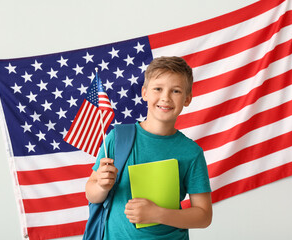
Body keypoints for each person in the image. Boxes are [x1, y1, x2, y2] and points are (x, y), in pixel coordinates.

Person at [85, 56, 212, 239]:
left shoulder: (191, 152)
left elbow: (204, 215)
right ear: (145, 92)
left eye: (175, 91)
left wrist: (157, 214)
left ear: (187, 99)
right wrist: (102, 186)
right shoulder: (118, 138)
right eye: (158, 89)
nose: (165, 98)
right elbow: (92, 194)